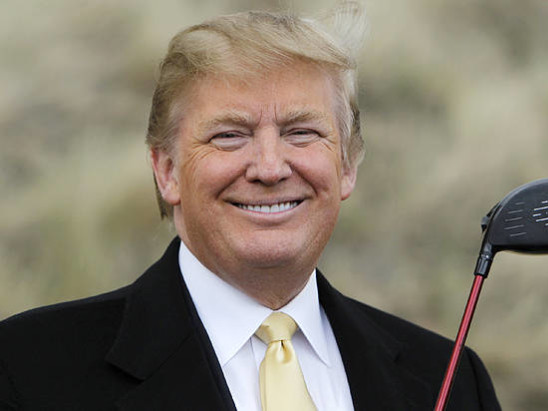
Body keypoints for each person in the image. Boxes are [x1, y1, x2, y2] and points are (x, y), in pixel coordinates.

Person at [0, 5, 500, 410]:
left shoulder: (451, 382)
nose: (269, 167)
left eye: (301, 132)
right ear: (167, 170)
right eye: (229, 135)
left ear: (347, 164)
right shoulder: (28, 369)